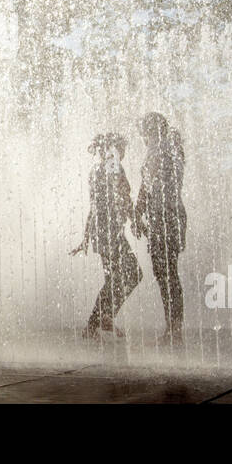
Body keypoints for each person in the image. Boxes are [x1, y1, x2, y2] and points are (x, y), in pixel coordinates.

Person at [71, 132, 142, 340]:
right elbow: (124, 197)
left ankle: (97, 323)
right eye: (122, 148)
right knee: (133, 274)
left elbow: (94, 207)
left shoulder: (96, 170)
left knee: (115, 278)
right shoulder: (113, 166)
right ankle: (99, 320)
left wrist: (86, 237)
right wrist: (136, 221)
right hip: (110, 231)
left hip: (101, 231)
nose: (124, 152)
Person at [134, 112, 187, 345]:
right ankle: (174, 328)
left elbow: (147, 186)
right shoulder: (172, 150)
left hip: (163, 217)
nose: (143, 138)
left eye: (144, 132)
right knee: (168, 273)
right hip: (173, 216)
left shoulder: (159, 152)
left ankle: (173, 330)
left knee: (165, 274)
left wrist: (137, 213)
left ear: (152, 130)